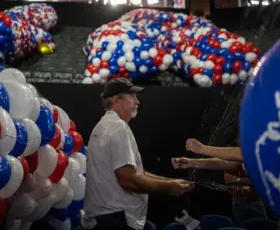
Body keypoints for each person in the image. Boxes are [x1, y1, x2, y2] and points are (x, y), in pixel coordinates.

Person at [82, 78, 195, 230]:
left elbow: (134, 173)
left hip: (107, 217)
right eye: (132, 97)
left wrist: (171, 181)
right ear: (116, 101)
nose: (137, 102)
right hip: (115, 219)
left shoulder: (104, 126)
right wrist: (169, 187)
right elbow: (128, 180)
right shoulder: (117, 127)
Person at [171, 138, 269, 227]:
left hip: (259, 199)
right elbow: (225, 163)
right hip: (239, 199)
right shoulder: (245, 156)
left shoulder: (264, 148)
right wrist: (191, 162)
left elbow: (243, 154)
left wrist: (203, 149)